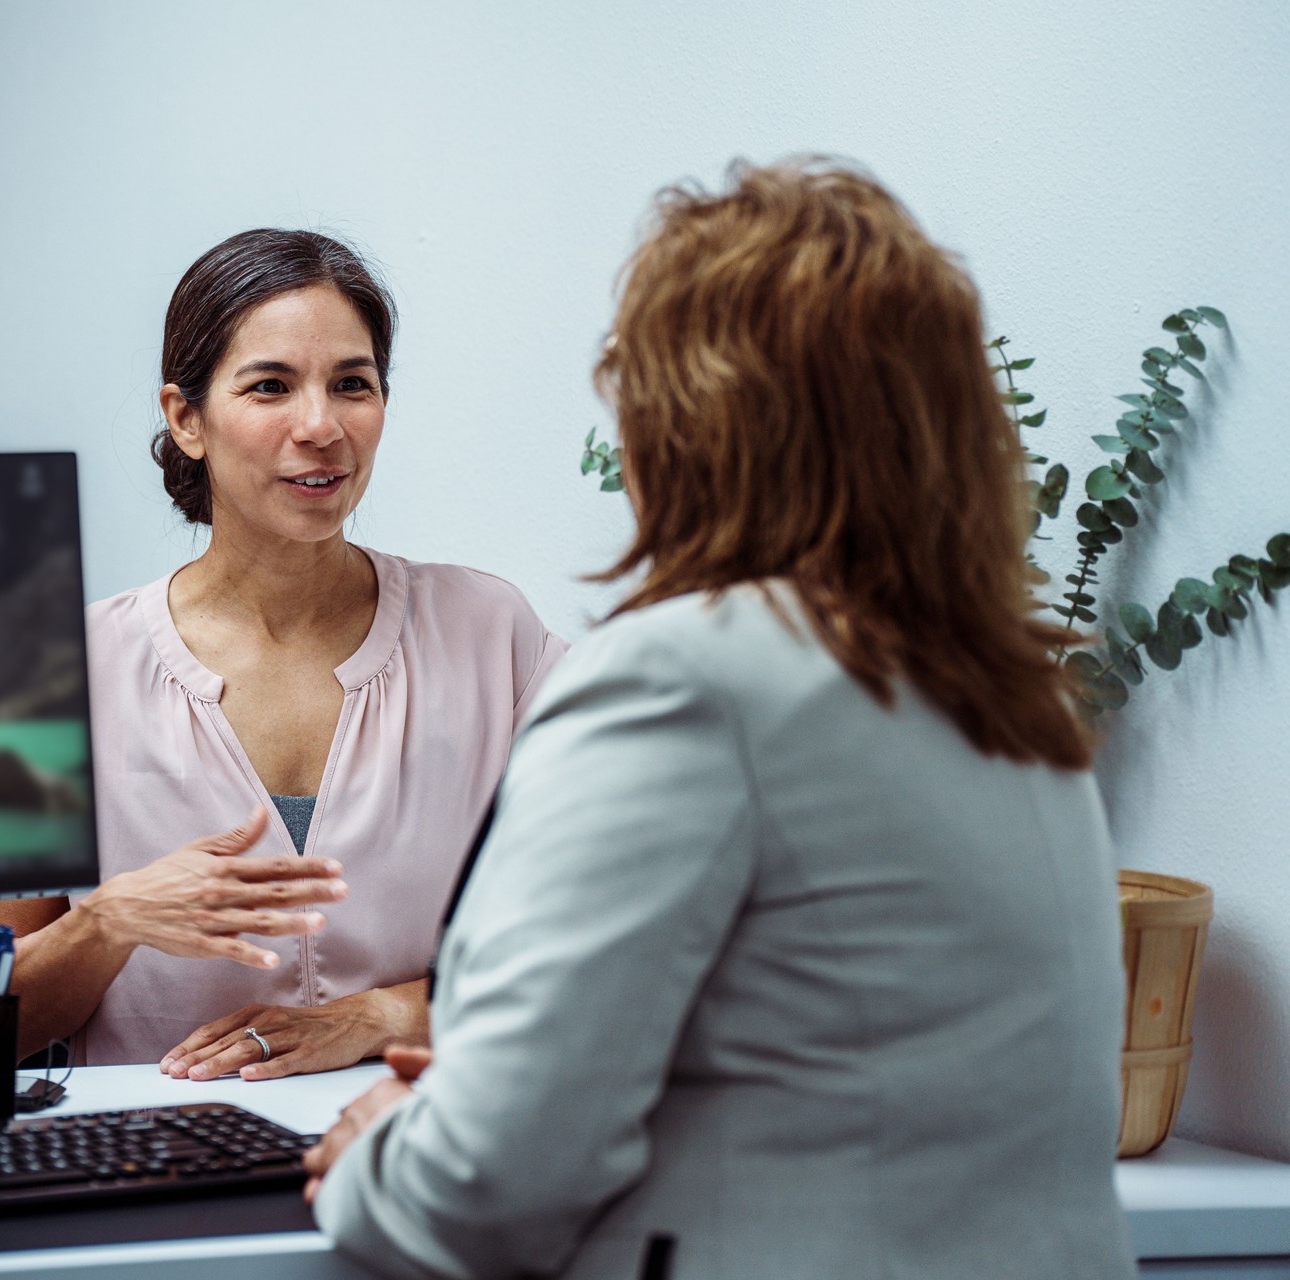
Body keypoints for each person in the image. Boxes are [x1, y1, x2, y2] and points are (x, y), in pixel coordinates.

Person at [304, 162, 1137, 1279]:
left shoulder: (681, 679)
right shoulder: (1011, 696)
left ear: (682, 424)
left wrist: (382, 1152)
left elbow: (483, 1190)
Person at [0, 229, 564, 1079]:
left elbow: (595, 949)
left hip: (413, 1158)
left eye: (352, 385)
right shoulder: (55, 672)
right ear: (186, 419)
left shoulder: (491, 633)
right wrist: (108, 923)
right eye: (271, 387)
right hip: (158, 1177)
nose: (320, 426)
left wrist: (384, 1014)